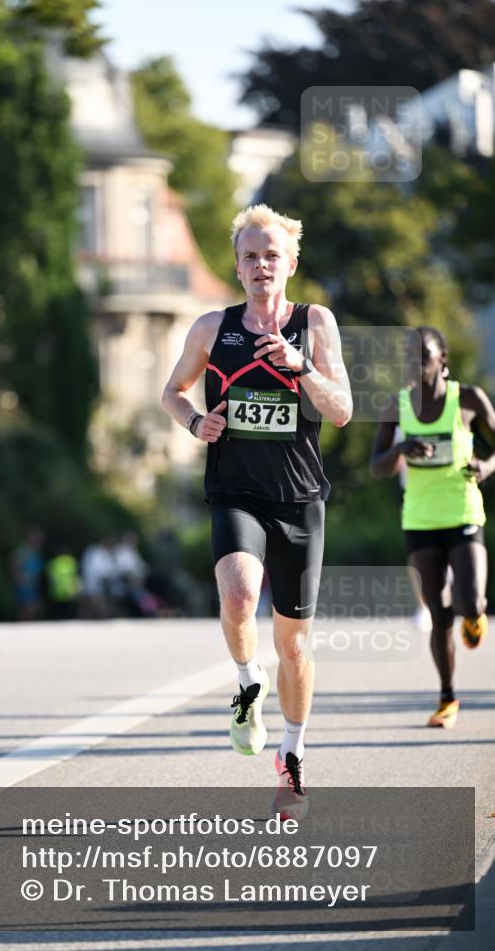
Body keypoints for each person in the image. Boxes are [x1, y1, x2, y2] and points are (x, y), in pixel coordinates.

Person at [162, 204, 352, 815]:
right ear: (237, 266)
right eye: (250, 256)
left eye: (272, 255)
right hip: (235, 490)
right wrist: (196, 421)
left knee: (295, 645)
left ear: (291, 263)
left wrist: (301, 370)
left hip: (299, 498)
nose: (261, 264)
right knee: (240, 595)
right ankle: (247, 679)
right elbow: (172, 391)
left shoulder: (315, 323)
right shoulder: (212, 328)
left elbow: (342, 408)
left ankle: (292, 758)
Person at [370, 326, 494, 728]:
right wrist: (400, 449)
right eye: (408, 354)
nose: (414, 361)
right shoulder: (397, 406)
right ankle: (447, 698)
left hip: (462, 512)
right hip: (420, 520)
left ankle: (475, 616)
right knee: (439, 616)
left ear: (443, 359)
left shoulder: (469, 399)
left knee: (469, 602)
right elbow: (376, 467)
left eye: (422, 353)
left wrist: (486, 466)